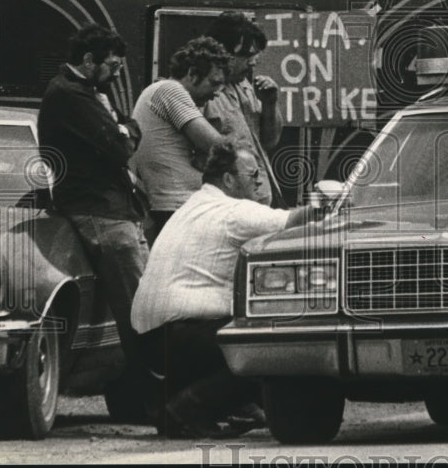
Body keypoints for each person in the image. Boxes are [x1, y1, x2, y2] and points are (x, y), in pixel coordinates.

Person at [131, 141, 316, 438]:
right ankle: (185, 411)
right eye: (252, 175)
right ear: (228, 180)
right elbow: (294, 221)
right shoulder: (234, 211)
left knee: (238, 336)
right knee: (271, 347)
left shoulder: (192, 206)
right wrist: (330, 203)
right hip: (183, 334)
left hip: (150, 339)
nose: (258, 181)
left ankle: (202, 405)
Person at [37, 24, 153, 413]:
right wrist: (126, 129)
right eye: (113, 65)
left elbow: (127, 128)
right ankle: (150, 397)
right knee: (140, 307)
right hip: (99, 210)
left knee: (137, 305)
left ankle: (135, 395)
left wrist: (125, 127)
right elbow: (121, 146)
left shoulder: (88, 93)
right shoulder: (70, 95)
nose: (117, 73)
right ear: (89, 60)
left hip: (111, 207)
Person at [130, 36, 229, 235]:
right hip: (177, 205)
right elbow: (219, 148)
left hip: (175, 205)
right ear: (192, 74)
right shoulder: (170, 90)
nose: (217, 93)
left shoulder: (161, 91)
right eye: (214, 83)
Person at [203, 11, 283, 207]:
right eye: (247, 55)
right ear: (223, 52)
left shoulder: (246, 87)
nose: (253, 62)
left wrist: (270, 103)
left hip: (258, 200)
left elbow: (270, 141)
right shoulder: (203, 92)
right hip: (229, 204)